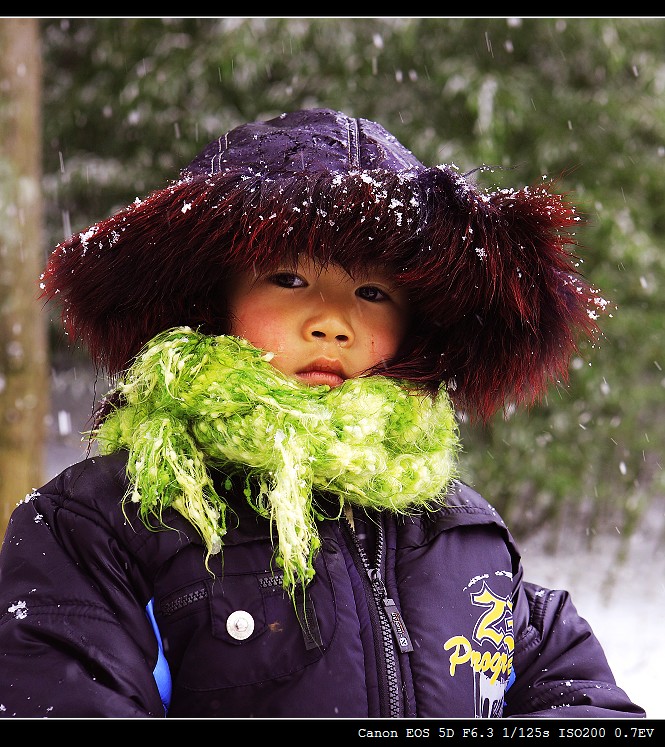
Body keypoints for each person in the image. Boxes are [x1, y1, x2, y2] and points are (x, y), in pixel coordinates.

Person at [0, 108, 645, 719]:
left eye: (372, 292)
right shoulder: (101, 526)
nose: (333, 322)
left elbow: (576, 692)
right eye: (289, 278)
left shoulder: (459, 533)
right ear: (212, 296)